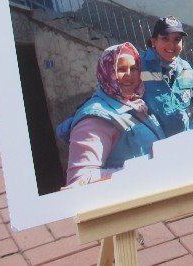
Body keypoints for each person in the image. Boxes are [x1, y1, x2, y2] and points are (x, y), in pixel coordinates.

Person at [56, 42, 166, 186]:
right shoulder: (95, 118)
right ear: (107, 71)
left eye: (133, 68)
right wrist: (139, 171)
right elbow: (79, 182)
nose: (129, 75)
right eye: (120, 69)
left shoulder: (134, 102)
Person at [140, 16, 193, 137]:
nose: (171, 45)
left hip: (186, 139)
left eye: (177, 39)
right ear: (153, 42)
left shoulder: (187, 70)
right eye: (165, 38)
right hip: (153, 144)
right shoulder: (138, 66)